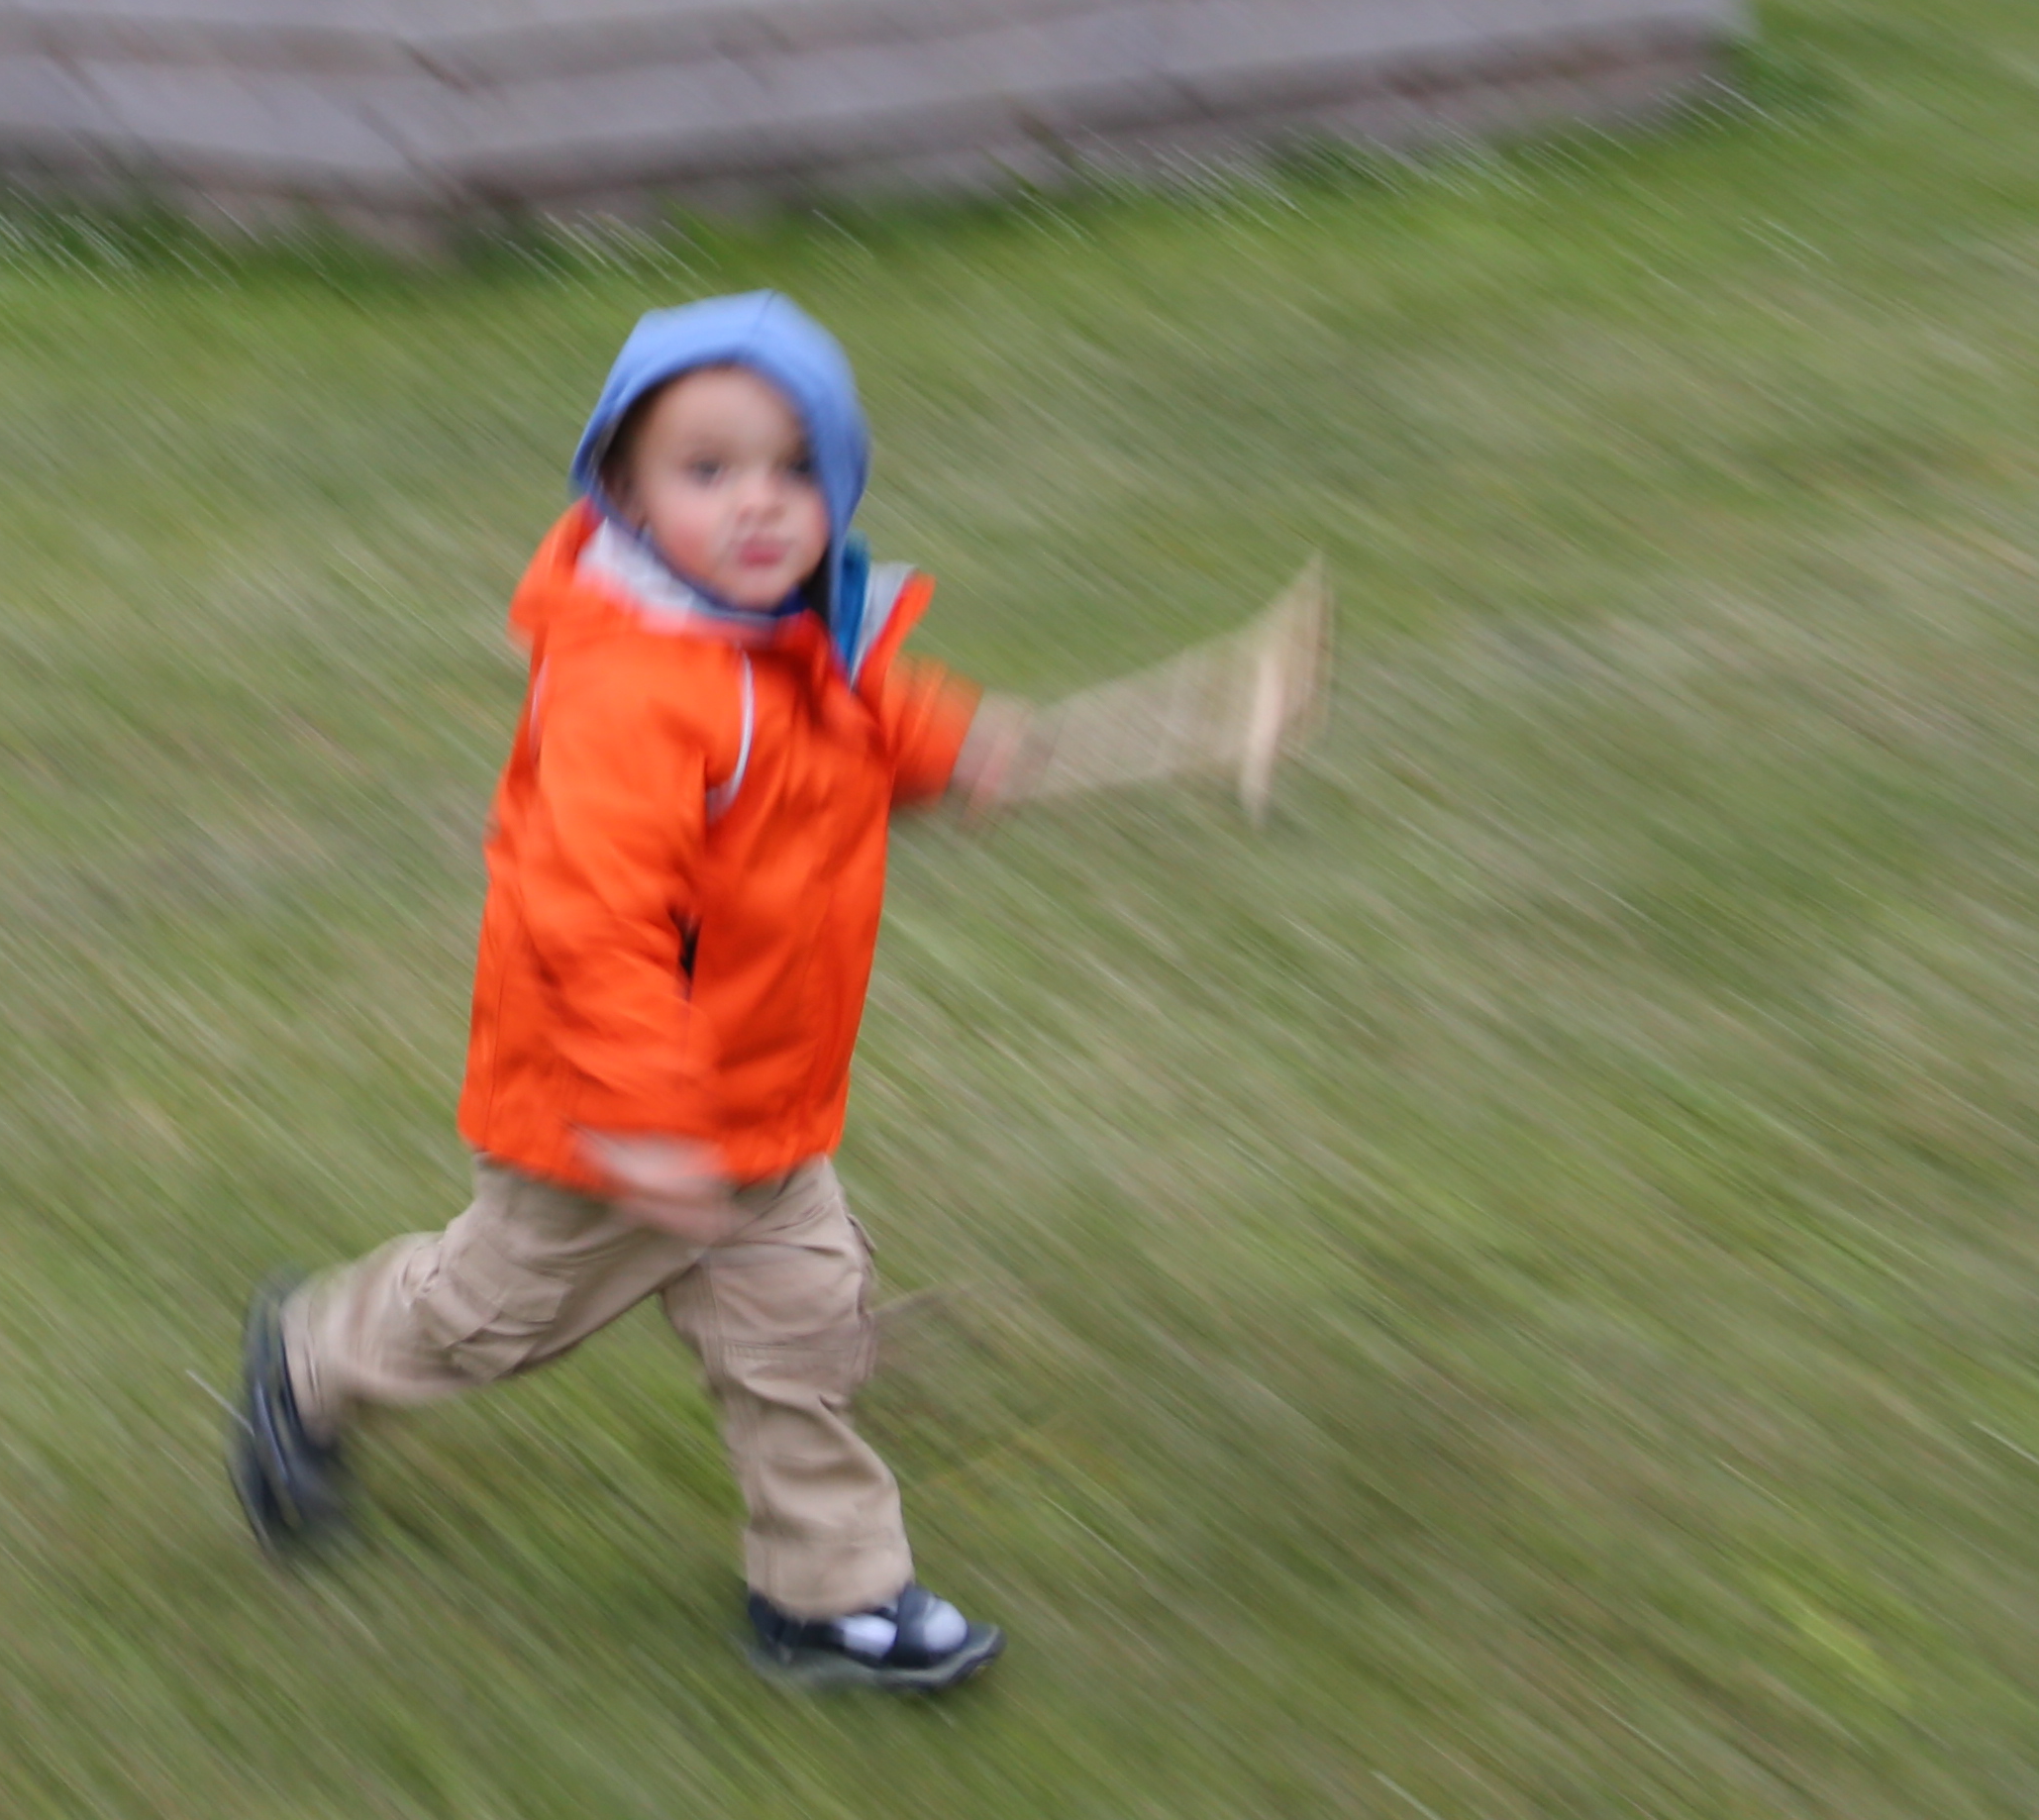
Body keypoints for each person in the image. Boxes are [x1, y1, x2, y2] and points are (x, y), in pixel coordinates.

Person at [228, 289, 1328, 1694]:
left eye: (795, 468)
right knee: (486, 1321)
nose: (760, 504)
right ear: (622, 494)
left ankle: (830, 1598)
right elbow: (590, 918)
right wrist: (641, 1118)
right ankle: (313, 1359)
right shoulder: (627, 692)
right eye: (708, 471)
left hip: (761, 1108)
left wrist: (964, 749)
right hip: (603, 1126)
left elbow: (861, 715)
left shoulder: (795, 636)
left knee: (804, 1331)